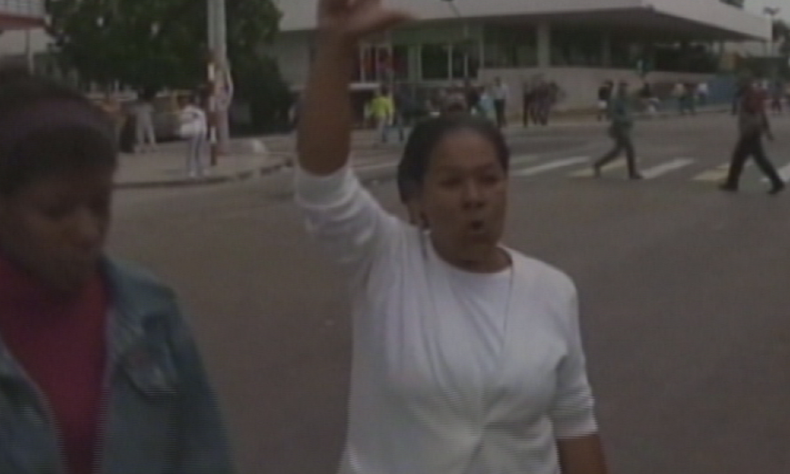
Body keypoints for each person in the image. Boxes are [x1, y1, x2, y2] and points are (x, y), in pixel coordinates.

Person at [295, 1, 610, 474]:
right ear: (415, 199)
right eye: (450, 182)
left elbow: (574, 423)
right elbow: (322, 187)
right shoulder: (386, 261)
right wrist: (336, 47)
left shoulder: (552, 291)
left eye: (489, 179)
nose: (473, 197)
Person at [0, 67, 234, 474]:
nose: (88, 232)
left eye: (100, 204)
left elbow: (203, 455)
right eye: (56, 211)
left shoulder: (151, 312)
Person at [720, 82, 785, 195]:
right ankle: (732, 183)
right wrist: (766, 130)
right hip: (752, 132)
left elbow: (755, 113)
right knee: (739, 159)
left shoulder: (749, 98)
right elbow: (762, 114)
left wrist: (759, 128)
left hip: (750, 133)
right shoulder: (752, 96)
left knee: (757, 160)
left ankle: (777, 182)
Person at [593, 81, 643, 180]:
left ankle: (598, 164)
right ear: (619, 90)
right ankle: (632, 173)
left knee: (616, 152)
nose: (624, 90)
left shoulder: (627, 100)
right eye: (622, 88)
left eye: (625, 88)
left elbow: (633, 107)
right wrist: (625, 120)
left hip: (625, 128)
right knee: (630, 150)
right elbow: (612, 115)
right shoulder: (615, 101)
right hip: (619, 128)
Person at [179, 93, 208, 179]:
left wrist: (205, 131)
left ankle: (201, 169)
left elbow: (203, 121)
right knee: (191, 151)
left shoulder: (200, 109)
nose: (197, 101)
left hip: (201, 132)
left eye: (198, 99)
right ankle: (191, 170)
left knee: (199, 152)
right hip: (192, 132)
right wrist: (192, 117)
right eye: (196, 99)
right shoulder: (188, 109)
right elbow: (182, 118)